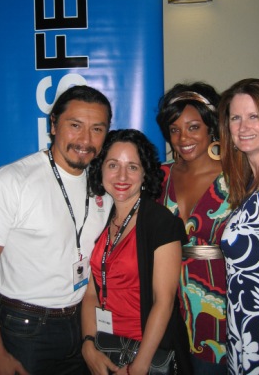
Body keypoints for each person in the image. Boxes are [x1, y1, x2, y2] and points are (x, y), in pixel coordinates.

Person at [0, 85, 113, 375]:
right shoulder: (11, 181)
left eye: (97, 129)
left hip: (81, 323)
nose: (85, 140)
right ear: (53, 124)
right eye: (75, 126)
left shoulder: (102, 187)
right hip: (26, 330)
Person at [81, 129, 192, 375]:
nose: (122, 176)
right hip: (105, 345)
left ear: (145, 173)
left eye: (132, 166)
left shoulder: (161, 223)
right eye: (113, 165)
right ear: (100, 169)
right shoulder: (102, 217)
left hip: (145, 353)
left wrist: (138, 367)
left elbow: (164, 303)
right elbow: (91, 293)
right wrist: (88, 343)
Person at [156, 82, 232, 375]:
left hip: (222, 301)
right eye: (174, 129)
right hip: (169, 299)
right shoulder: (160, 176)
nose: (182, 138)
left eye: (193, 127)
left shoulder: (237, 174)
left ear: (211, 127)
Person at [218, 78, 259, 375]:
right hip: (248, 336)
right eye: (236, 118)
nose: (243, 126)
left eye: (254, 116)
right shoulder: (256, 183)